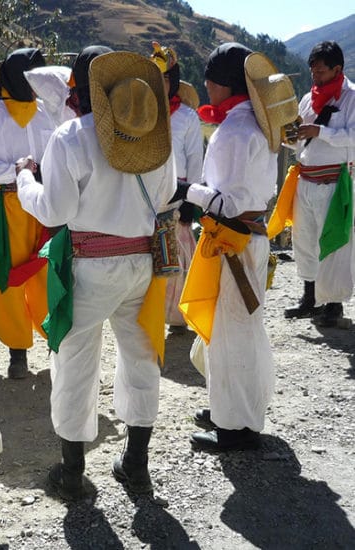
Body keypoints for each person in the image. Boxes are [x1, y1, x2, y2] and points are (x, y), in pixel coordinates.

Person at [15, 47, 176, 500]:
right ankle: (136, 466)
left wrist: (25, 180)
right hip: (143, 263)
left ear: (79, 91)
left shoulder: (70, 135)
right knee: (142, 356)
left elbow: (57, 210)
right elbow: (164, 199)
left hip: (87, 266)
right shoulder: (154, 136)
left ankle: (71, 474)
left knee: (74, 363)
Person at [175, 43, 294, 451]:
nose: (206, 86)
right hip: (247, 239)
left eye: (209, 79)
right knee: (238, 329)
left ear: (220, 83)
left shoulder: (234, 131)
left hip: (233, 241)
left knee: (231, 332)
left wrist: (186, 189)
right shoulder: (254, 126)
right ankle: (232, 408)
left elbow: (229, 202)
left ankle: (235, 428)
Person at [0, 47, 56, 379]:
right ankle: (18, 351)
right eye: (31, 78)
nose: (36, 85)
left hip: (46, 205)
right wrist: (15, 171)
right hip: (8, 208)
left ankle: (55, 342)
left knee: (49, 272)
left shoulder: (47, 113)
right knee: (11, 277)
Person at [282, 41, 355, 327]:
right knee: (305, 240)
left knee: (332, 243)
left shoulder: (351, 98)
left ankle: (333, 304)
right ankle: (310, 298)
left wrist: (319, 131)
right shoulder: (306, 99)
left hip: (333, 181)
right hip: (306, 178)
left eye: (321, 71)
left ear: (337, 68)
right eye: (313, 71)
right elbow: (300, 138)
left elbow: (353, 136)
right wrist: (292, 136)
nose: (316, 77)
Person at [150, 41, 203, 334]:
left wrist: (190, 202)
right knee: (148, 260)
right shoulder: (140, 112)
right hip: (147, 197)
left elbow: (195, 159)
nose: (161, 83)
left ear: (175, 81)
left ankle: (177, 316)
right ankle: (152, 314)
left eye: (166, 77)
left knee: (178, 257)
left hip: (177, 196)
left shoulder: (187, 117)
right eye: (156, 77)